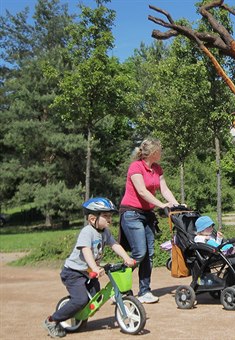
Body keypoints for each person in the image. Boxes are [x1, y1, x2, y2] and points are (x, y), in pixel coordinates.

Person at [43, 197, 135, 338]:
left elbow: (114, 245)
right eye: (106, 216)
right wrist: (95, 267)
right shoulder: (87, 232)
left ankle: (80, 316)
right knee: (80, 300)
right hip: (73, 273)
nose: (110, 219)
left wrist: (126, 257)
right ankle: (52, 320)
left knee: (95, 297)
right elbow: (86, 250)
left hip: (88, 272)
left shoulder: (105, 232)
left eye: (110, 216)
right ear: (92, 219)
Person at [119, 138, 179, 304]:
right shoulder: (135, 167)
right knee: (140, 253)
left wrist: (176, 204)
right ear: (153, 153)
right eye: (160, 150)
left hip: (146, 214)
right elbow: (142, 191)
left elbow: (164, 189)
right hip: (131, 214)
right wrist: (161, 205)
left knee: (149, 255)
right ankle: (119, 286)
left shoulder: (157, 168)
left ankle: (144, 291)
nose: (161, 153)